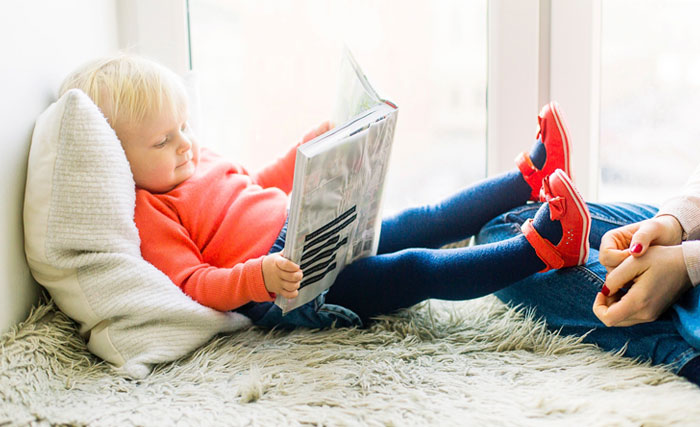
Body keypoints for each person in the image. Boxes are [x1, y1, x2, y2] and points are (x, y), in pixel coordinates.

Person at [60, 54, 700, 386]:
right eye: (163, 141)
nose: (185, 146)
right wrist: (258, 278)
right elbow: (196, 282)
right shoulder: (150, 210)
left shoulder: (192, 165)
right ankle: (543, 247)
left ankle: (526, 178)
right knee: (415, 269)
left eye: (184, 128)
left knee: (422, 216)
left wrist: (318, 143)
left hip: (315, 232)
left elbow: (254, 184)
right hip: (297, 289)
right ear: (119, 158)